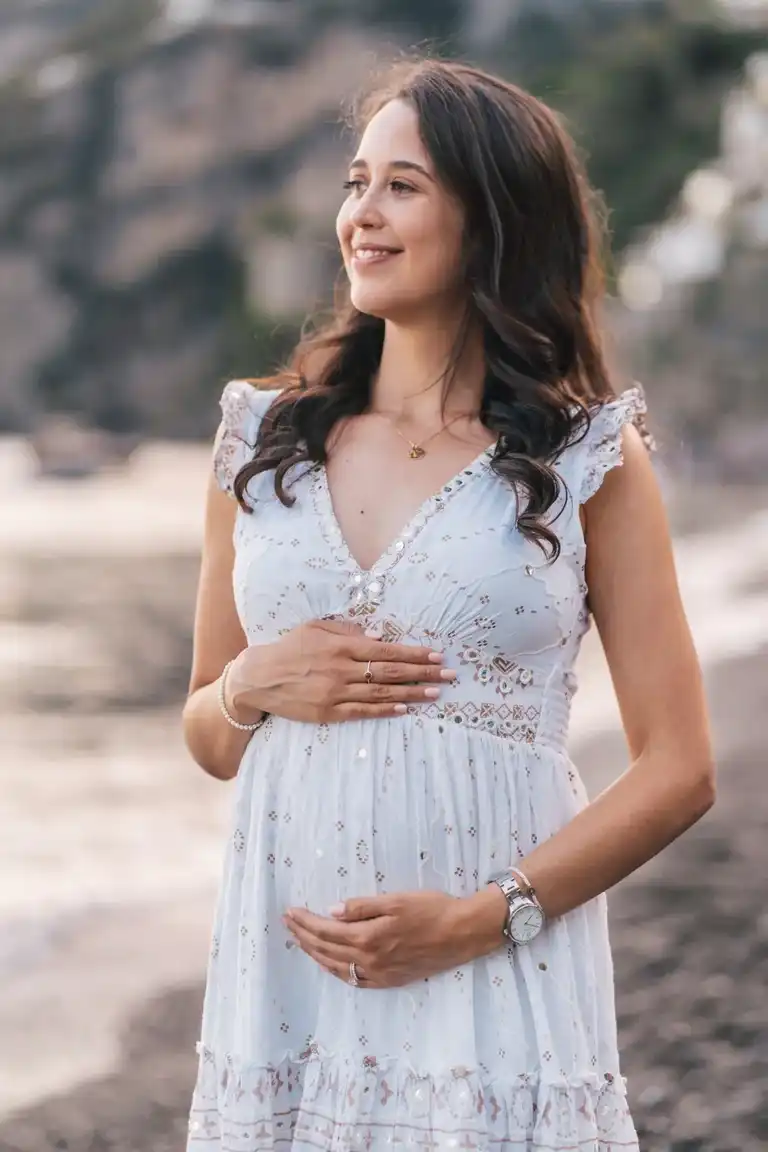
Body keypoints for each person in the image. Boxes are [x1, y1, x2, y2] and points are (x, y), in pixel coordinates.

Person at [182, 57, 715, 1152]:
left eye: (402, 187)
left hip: (496, 968)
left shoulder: (587, 459)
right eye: (354, 181)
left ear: (494, 218)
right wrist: (249, 684)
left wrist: (479, 921)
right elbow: (207, 735)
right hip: (287, 980)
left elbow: (679, 768)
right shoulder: (260, 441)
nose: (360, 216)